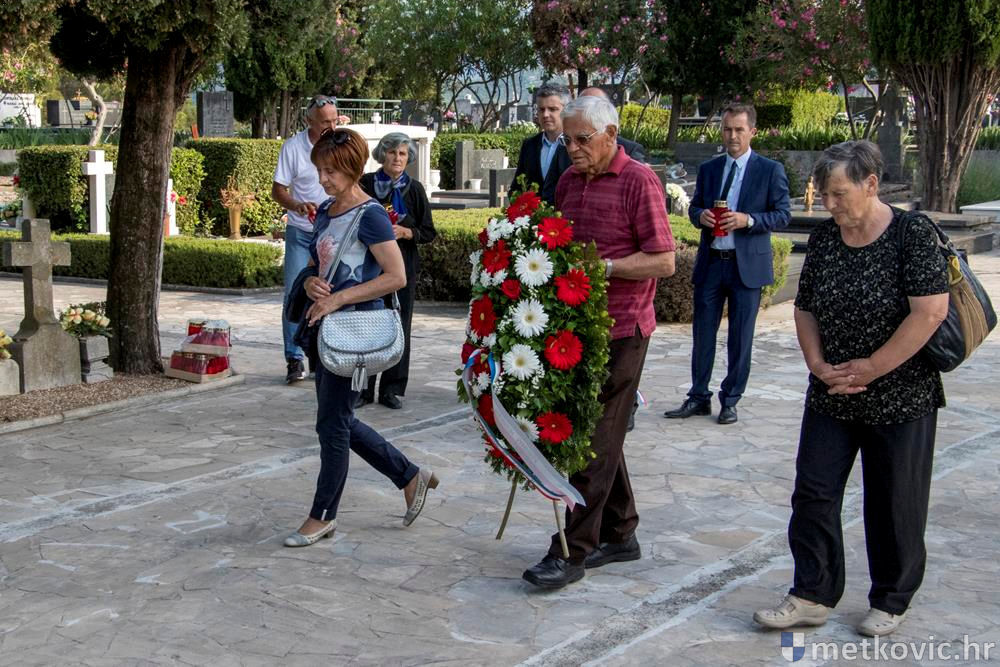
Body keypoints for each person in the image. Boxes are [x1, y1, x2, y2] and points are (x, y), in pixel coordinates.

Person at [754, 141, 949, 637]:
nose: (829, 204)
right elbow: (805, 307)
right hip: (832, 391)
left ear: (870, 184)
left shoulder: (912, 234)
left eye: (839, 193)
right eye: (823, 194)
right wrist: (818, 364)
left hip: (901, 393)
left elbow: (930, 312)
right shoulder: (824, 238)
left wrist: (872, 368)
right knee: (814, 492)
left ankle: (891, 598)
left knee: (894, 501)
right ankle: (812, 594)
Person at [522, 96, 676, 589]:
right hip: (575, 328)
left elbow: (664, 260)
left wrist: (605, 267)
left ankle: (571, 551)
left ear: (611, 134)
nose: (571, 148)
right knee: (601, 435)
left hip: (623, 329)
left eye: (581, 139)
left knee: (591, 440)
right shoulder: (569, 180)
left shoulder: (639, 180)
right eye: (567, 139)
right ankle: (621, 531)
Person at [282, 128, 439, 547]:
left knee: (332, 426)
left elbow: (396, 276)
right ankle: (410, 476)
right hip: (324, 331)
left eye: (331, 171)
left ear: (352, 169)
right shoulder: (325, 211)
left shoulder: (370, 215)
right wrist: (311, 282)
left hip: (354, 334)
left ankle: (323, 516)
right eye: (319, 170)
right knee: (338, 420)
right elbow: (317, 262)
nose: (323, 178)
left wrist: (339, 298)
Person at [664, 103, 790, 425]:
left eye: (738, 130)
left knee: (740, 338)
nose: (732, 135)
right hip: (712, 263)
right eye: (727, 129)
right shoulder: (710, 169)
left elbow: (783, 214)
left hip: (745, 267)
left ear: (752, 132)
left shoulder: (769, 170)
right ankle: (698, 396)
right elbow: (694, 208)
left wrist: (749, 220)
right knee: (702, 334)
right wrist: (700, 216)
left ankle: (731, 400)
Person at [357, 132, 437, 410]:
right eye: (392, 152)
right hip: (370, 266)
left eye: (402, 153)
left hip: (403, 268)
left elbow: (428, 231)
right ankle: (363, 389)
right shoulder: (366, 184)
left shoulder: (414, 189)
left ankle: (391, 389)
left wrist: (406, 232)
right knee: (368, 325)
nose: (397, 158)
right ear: (383, 155)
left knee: (399, 327)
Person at [272, 95, 340, 384]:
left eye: (335, 120)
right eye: (325, 122)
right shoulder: (293, 147)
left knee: (334, 291)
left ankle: (323, 355)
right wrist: (297, 205)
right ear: (309, 121)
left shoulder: (340, 144)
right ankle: (294, 358)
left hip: (334, 231)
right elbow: (278, 190)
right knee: (296, 292)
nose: (331, 127)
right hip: (302, 232)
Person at [510, 82, 572, 203]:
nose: (545, 115)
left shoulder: (576, 145)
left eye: (552, 109)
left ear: (566, 110)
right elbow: (516, 188)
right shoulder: (529, 145)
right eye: (541, 109)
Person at [579, 87, 647, 162]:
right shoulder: (570, 149)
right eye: (581, 106)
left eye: (595, 106)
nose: (573, 148)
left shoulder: (631, 150)